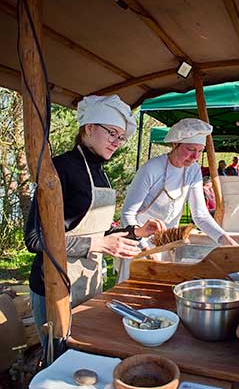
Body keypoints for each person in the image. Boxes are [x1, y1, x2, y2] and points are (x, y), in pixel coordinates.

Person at [25, 94, 164, 345]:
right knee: (58, 359)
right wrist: (97, 245)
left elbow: (97, 232)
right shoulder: (59, 168)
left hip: (88, 284)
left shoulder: (101, 172)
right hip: (54, 287)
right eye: (112, 133)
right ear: (89, 127)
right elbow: (34, 240)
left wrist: (136, 232)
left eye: (121, 137)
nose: (117, 143)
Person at [119, 118, 238, 282]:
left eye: (200, 150)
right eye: (190, 149)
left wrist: (225, 239)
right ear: (175, 144)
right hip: (138, 243)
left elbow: (201, 216)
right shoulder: (152, 169)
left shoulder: (193, 170)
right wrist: (145, 248)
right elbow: (127, 214)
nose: (194, 157)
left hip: (168, 242)